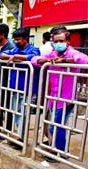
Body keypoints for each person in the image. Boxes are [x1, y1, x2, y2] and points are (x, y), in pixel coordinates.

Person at [31, 29, 88, 158]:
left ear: (67, 41)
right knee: (56, 125)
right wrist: (45, 61)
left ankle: (60, 151)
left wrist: (65, 61)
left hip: (67, 98)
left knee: (55, 126)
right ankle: (58, 149)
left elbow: (83, 60)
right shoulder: (53, 53)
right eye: (55, 41)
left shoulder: (73, 53)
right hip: (52, 96)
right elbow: (34, 60)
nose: (58, 43)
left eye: (61, 41)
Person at [0, 27, 40, 141]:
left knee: (24, 113)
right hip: (15, 86)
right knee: (17, 112)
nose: (16, 42)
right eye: (15, 40)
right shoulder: (15, 50)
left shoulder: (33, 50)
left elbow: (34, 58)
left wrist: (17, 57)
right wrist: (12, 56)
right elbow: (1, 55)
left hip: (28, 88)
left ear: (26, 39)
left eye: (19, 40)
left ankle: (21, 138)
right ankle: (20, 136)